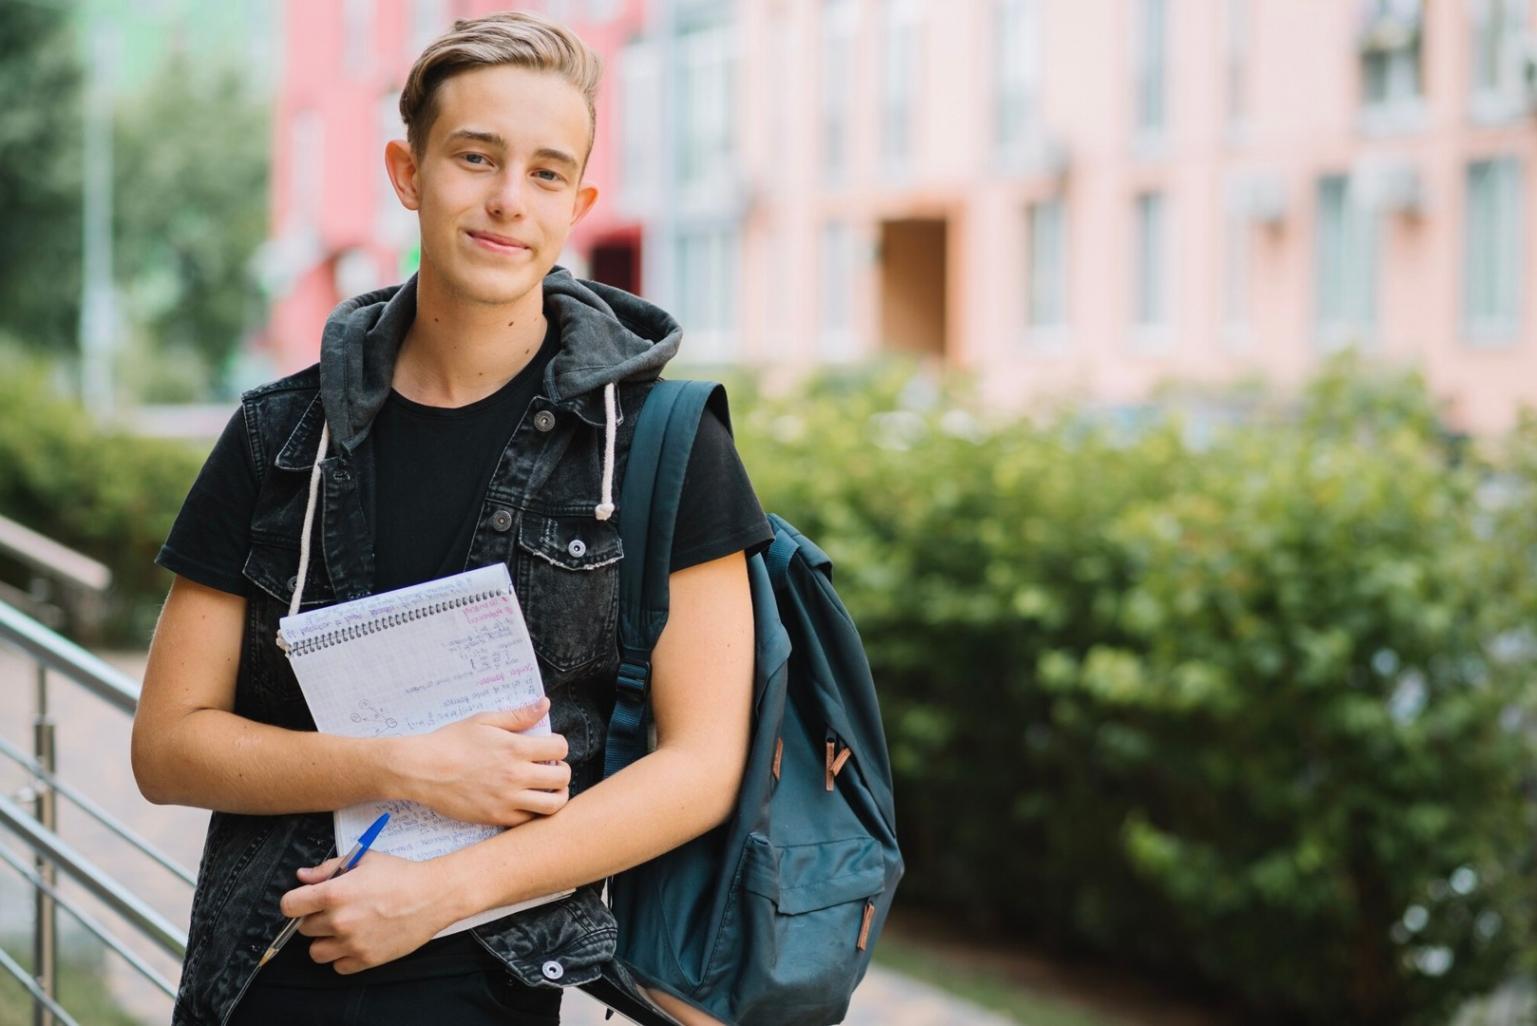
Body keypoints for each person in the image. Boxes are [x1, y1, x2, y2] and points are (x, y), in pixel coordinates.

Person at [130, 11, 768, 1025]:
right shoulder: (275, 437)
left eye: (547, 172)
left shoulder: (662, 445)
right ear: (407, 170)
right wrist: (404, 765)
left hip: (494, 993)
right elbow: (166, 747)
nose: (509, 200)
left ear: (579, 202)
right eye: (475, 157)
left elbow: (701, 767)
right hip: (260, 986)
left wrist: (438, 897)